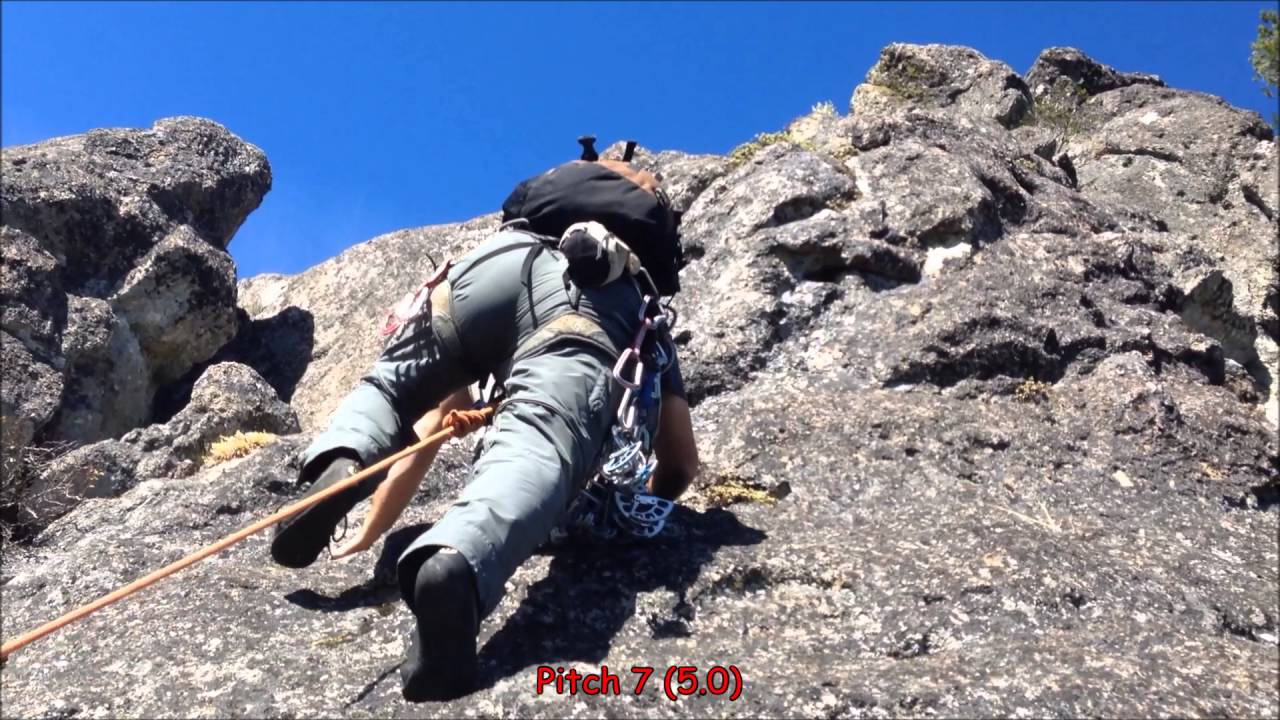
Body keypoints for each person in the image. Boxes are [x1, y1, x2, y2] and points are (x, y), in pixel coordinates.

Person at [268, 153, 700, 701]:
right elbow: (680, 462)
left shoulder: (542, 207)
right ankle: (458, 559)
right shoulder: (638, 300)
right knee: (540, 440)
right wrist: (649, 499)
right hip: (592, 291)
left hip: (488, 268)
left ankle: (340, 457)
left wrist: (371, 527)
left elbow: (435, 418)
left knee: (390, 389)